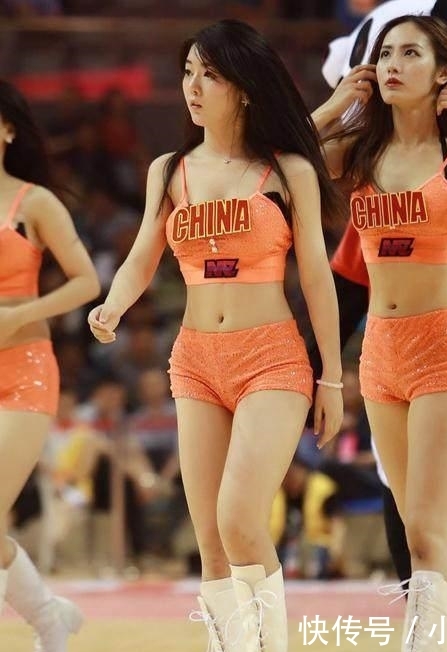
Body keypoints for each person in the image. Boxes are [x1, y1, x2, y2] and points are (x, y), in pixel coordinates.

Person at [88, 18, 344, 652]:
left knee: (239, 520)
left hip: (272, 358)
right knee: (211, 542)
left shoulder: (288, 170)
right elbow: (143, 254)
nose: (192, 87)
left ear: (246, 88)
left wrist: (333, 378)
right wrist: (111, 307)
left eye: (210, 74)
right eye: (188, 72)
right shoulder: (169, 169)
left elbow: (317, 276)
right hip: (196, 359)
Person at [313, 2, 447, 650]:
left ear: (443, 72)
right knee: (417, 532)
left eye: (410, 53)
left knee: (433, 532)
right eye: (384, 53)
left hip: (443, 346)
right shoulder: (359, 154)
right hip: (379, 354)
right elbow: (271, 165)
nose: (391, 64)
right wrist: (334, 105)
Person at [0, 79, 100, 650]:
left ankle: (48, 622)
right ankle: (50, 621)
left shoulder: (34, 202)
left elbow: (87, 281)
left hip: (26, 370)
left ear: (8, 129)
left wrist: (21, 315)